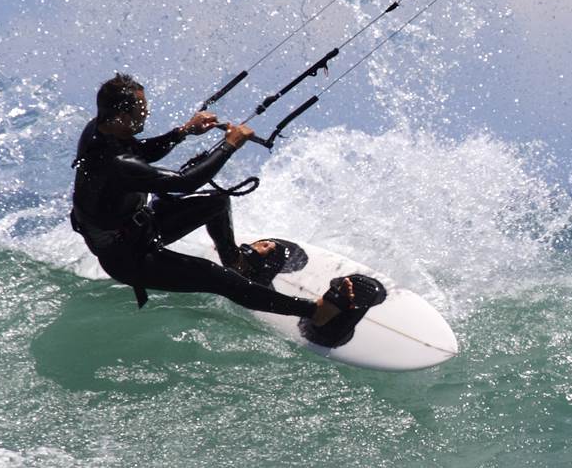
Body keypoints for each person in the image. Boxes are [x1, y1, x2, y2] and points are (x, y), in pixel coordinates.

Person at [70, 73, 384, 346]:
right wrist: (230, 144)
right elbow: (185, 182)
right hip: (128, 257)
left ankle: (236, 261)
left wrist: (184, 131)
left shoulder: (100, 130)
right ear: (121, 117)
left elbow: (140, 150)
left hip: (141, 227)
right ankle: (317, 312)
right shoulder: (115, 163)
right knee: (214, 278)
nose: (146, 113)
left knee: (217, 202)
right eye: (141, 109)